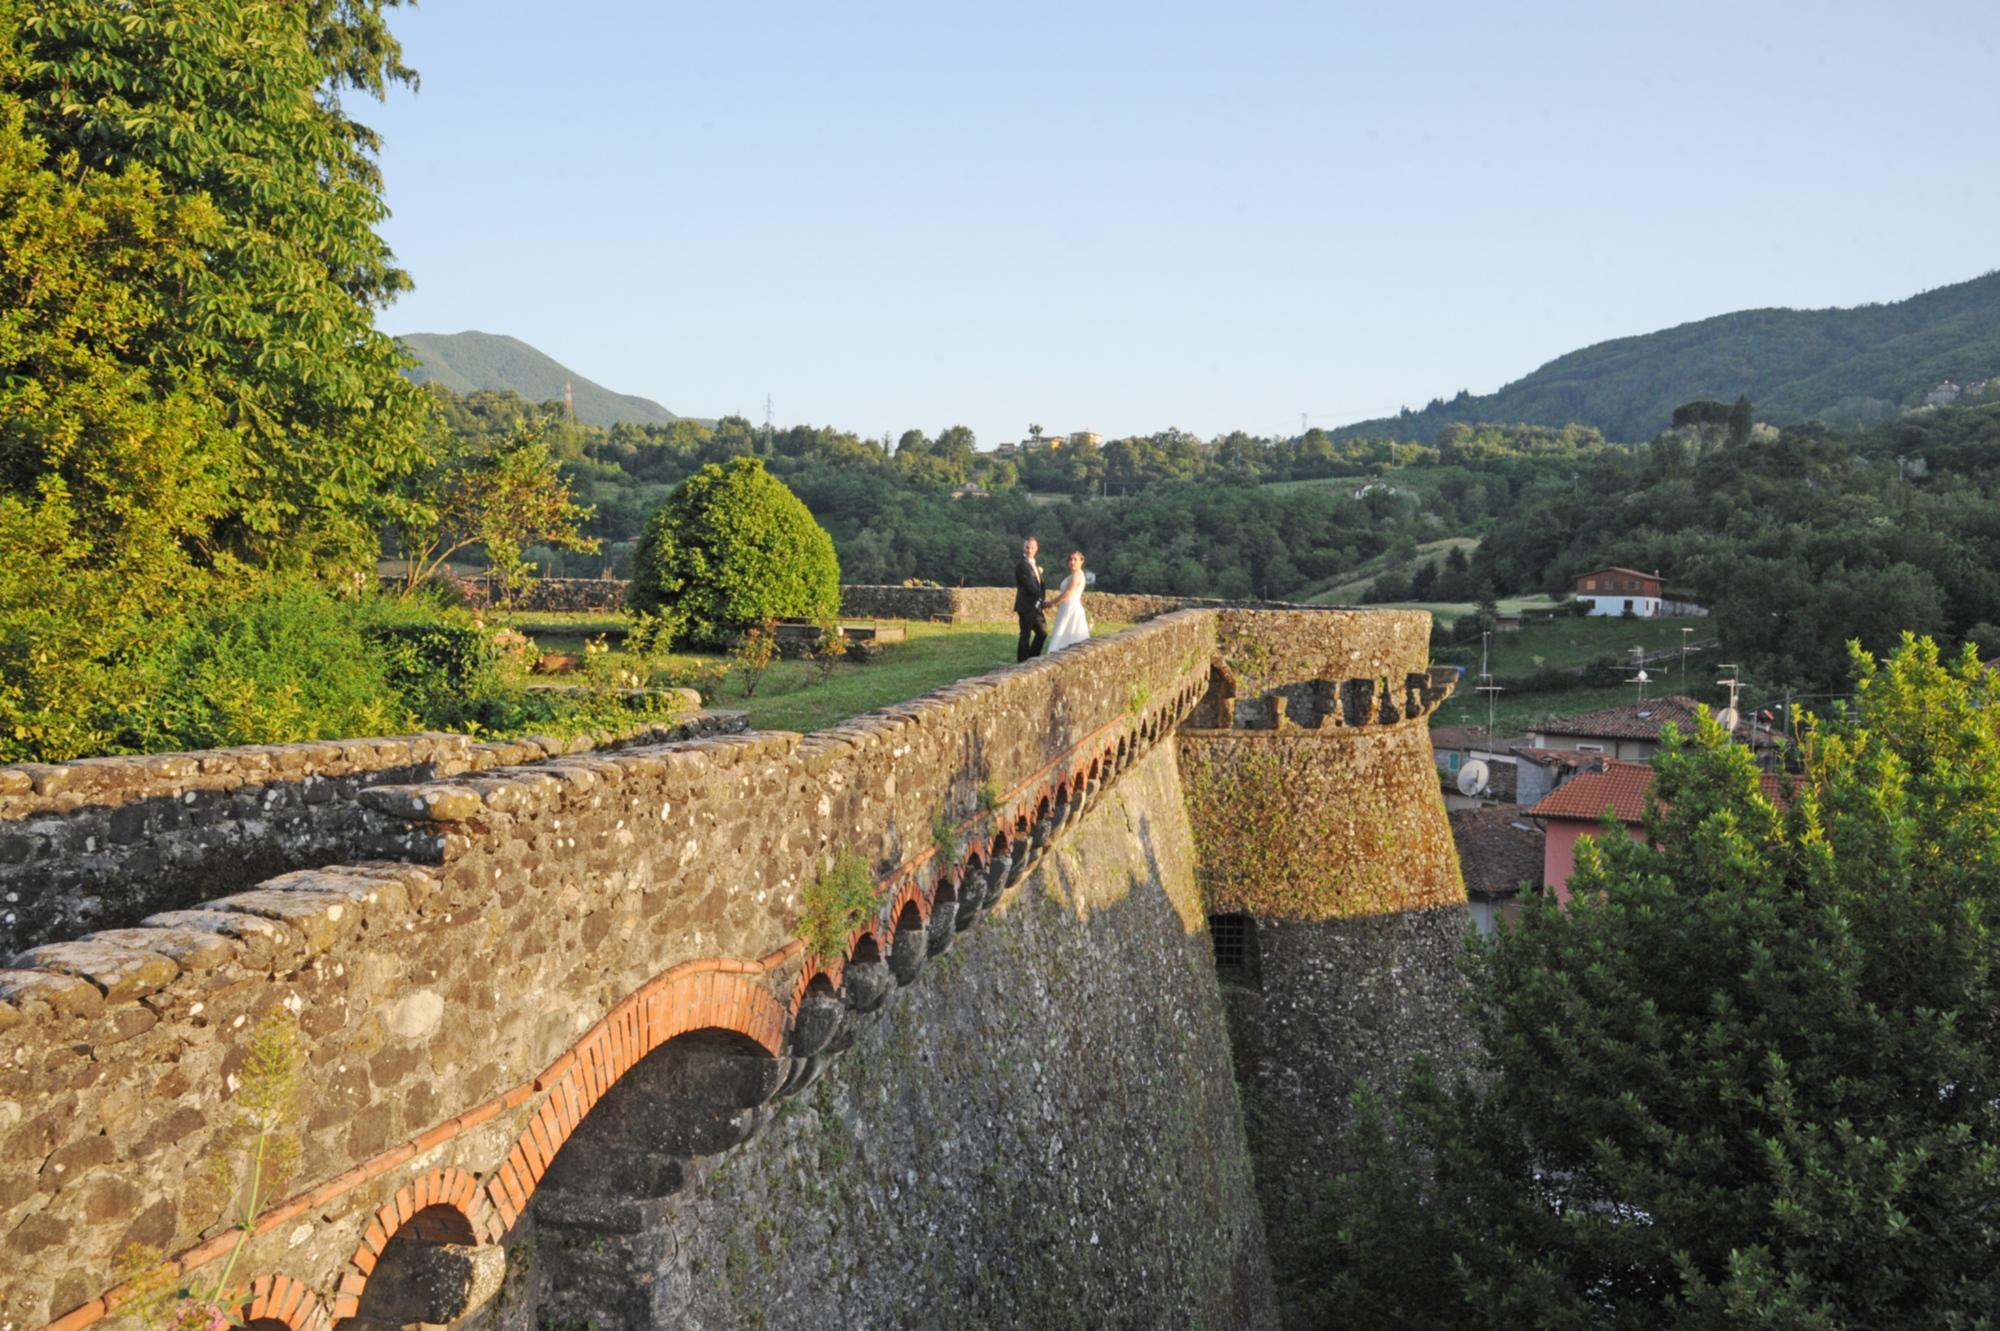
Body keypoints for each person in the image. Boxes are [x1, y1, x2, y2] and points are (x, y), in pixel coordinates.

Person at [1045, 550, 1092, 653]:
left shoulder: (1077, 575)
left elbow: (1067, 593)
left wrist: (1051, 603)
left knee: (1067, 633)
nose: (1072, 562)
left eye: (1075, 559)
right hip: (1066, 607)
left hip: (1071, 608)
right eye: (1070, 559)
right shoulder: (1073, 575)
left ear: (1081, 562)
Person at [1013, 537, 1048, 662]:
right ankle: (1022, 662)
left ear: (1036, 549)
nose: (1029, 550)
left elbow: (1039, 584)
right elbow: (1030, 586)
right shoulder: (1021, 565)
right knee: (1025, 635)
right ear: (1024, 548)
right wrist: (1043, 599)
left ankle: (1032, 658)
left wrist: (1041, 603)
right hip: (1026, 605)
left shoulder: (1034, 564)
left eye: (1032, 548)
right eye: (1027, 547)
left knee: (1042, 632)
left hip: (1036, 606)